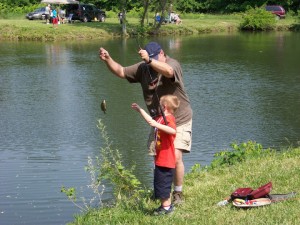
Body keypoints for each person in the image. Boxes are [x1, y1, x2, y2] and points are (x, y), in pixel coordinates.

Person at [99, 41, 193, 205]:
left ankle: (177, 193)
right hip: (158, 121)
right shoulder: (143, 68)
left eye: (154, 58)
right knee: (159, 160)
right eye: (148, 59)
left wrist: (150, 61)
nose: (150, 62)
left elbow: (169, 71)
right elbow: (121, 71)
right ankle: (162, 193)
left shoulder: (172, 64)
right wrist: (108, 59)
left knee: (176, 157)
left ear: (162, 53)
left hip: (179, 120)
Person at [131, 95, 180, 215]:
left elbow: (173, 131)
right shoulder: (160, 118)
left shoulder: (169, 119)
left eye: (160, 105)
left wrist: (157, 125)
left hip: (166, 160)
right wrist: (140, 110)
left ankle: (166, 208)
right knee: (160, 182)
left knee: (163, 183)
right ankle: (165, 206)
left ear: (164, 106)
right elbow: (150, 121)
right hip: (160, 159)